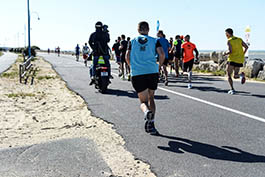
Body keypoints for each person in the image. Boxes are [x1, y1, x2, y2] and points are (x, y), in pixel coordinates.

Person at [126, 21, 165, 135]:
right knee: (151, 97)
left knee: (143, 101)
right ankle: (151, 123)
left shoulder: (132, 41)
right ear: (148, 29)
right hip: (152, 71)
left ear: (138, 30)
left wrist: (131, 67)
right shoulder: (155, 40)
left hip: (138, 73)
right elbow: (161, 54)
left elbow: (127, 55)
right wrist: (159, 66)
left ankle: (146, 111)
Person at [223, 28, 248, 95]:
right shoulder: (239, 39)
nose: (225, 35)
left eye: (226, 34)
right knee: (235, 75)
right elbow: (246, 47)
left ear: (228, 33)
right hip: (239, 59)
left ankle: (232, 89)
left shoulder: (229, 41)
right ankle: (241, 75)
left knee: (228, 75)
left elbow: (230, 51)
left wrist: (225, 53)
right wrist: (243, 54)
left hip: (232, 59)